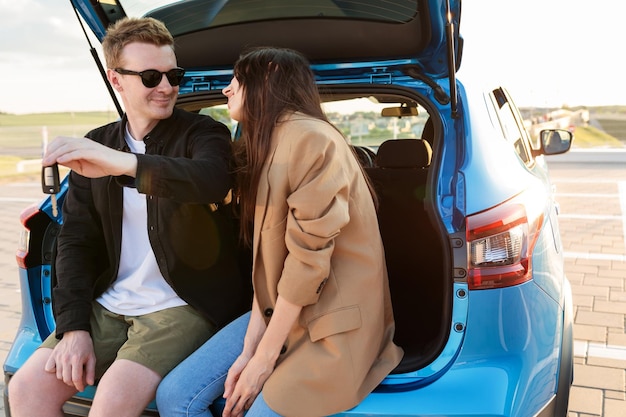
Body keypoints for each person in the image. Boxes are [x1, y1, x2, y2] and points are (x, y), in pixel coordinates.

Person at [8, 17, 249, 417]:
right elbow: (75, 242)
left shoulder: (204, 133)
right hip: (110, 304)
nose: (167, 87)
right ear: (116, 80)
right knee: (27, 390)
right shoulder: (99, 144)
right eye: (151, 76)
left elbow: (208, 180)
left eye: (174, 75)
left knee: (111, 403)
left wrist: (122, 163)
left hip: (182, 304)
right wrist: (73, 327)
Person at [156, 46, 403, 417]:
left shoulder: (310, 139)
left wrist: (261, 361)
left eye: (235, 79)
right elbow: (268, 273)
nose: (226, 89)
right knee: (175, 396)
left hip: (330, 327)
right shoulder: (269, 146)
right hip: (281, 311)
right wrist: (248, 351)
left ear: (268, 75)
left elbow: (306, 263)